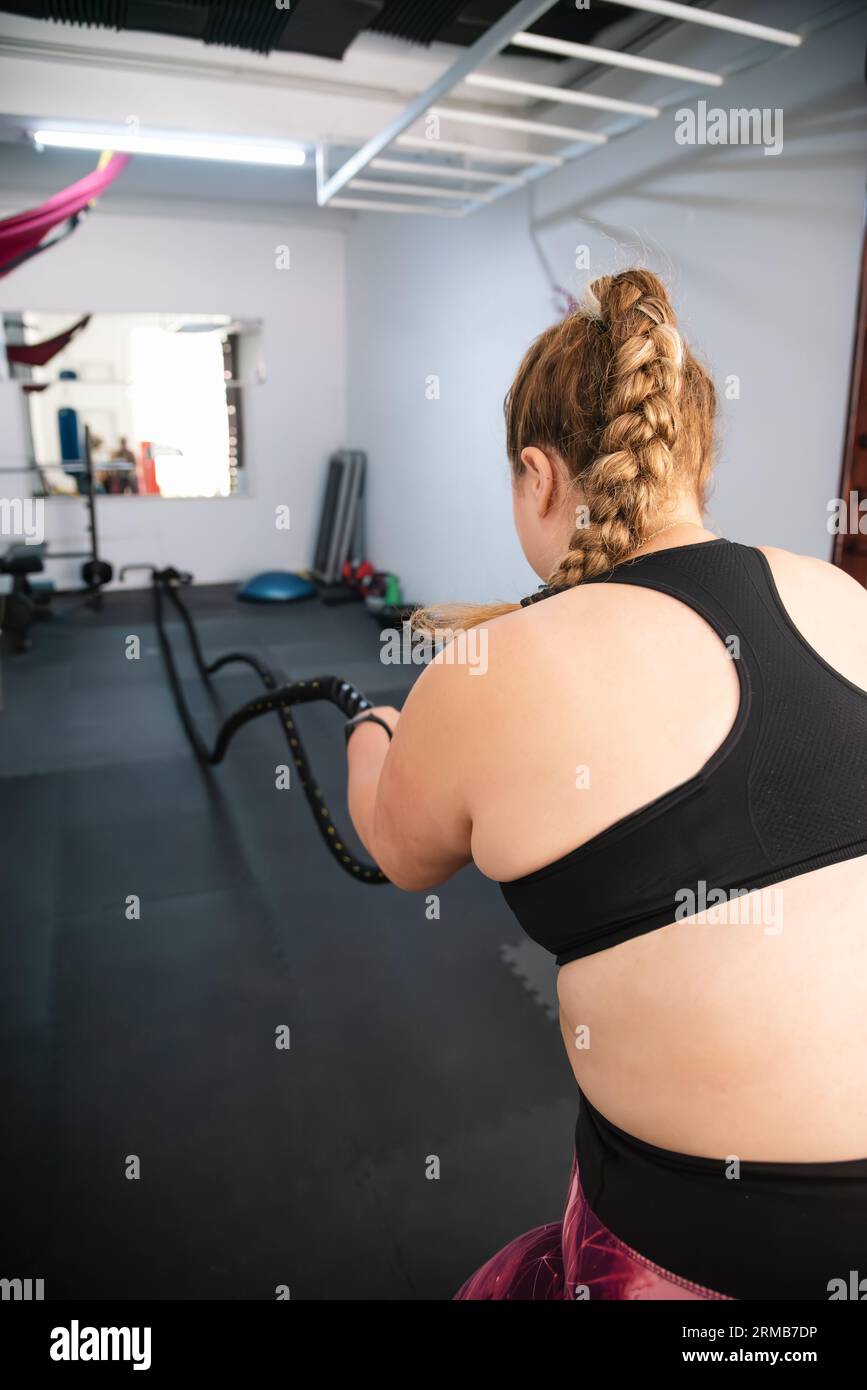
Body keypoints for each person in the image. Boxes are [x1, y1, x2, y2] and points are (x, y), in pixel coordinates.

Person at [344, 269, 867, 1300]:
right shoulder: (840, 593)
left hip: (704, 1260)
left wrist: (375, 729)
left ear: (537, 475)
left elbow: (399, 852)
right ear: (695, 460)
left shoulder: (490, 669)